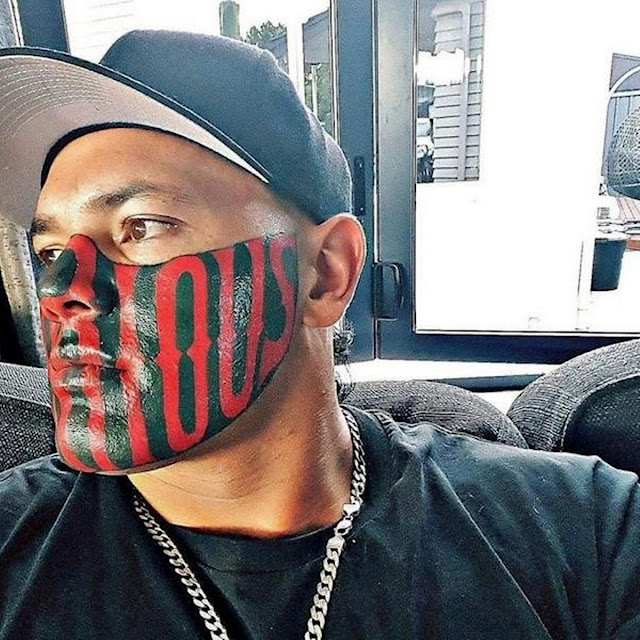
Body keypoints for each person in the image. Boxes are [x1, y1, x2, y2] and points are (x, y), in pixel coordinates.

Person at [0, 31, 639, 640]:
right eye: (50, 251)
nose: (61, 290)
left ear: (325, 273)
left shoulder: (589, 532)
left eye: (141, 226)